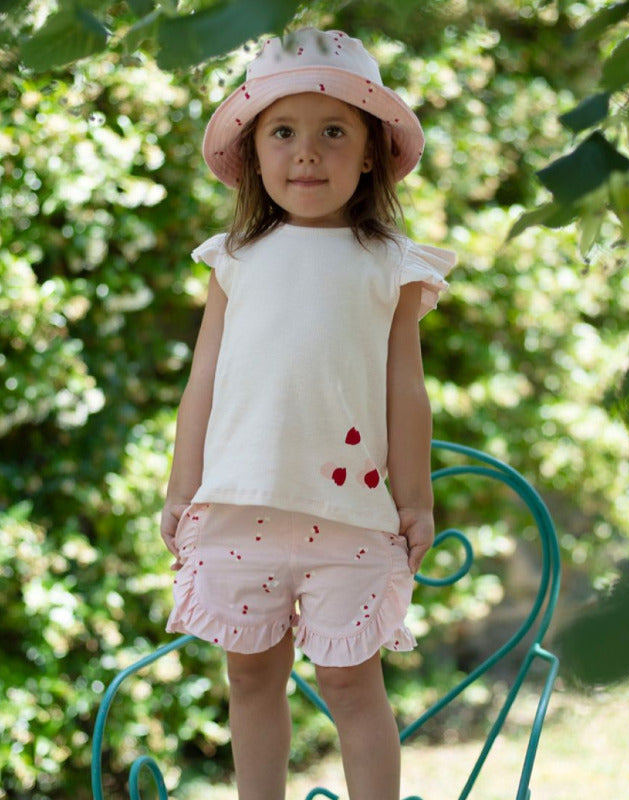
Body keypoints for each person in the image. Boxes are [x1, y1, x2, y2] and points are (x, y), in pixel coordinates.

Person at [161, 27, 456, 800]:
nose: (306, 153)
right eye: (283, 132)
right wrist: (180, 487)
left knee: (352, 685)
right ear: (256, 152)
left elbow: (405, 390)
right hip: (238, 509)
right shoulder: (234, 259)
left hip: (351, 517)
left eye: (333, 132)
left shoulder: (390, 263)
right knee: (251, 676)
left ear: (369, 153)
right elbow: (204, 381)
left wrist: (416, 498)